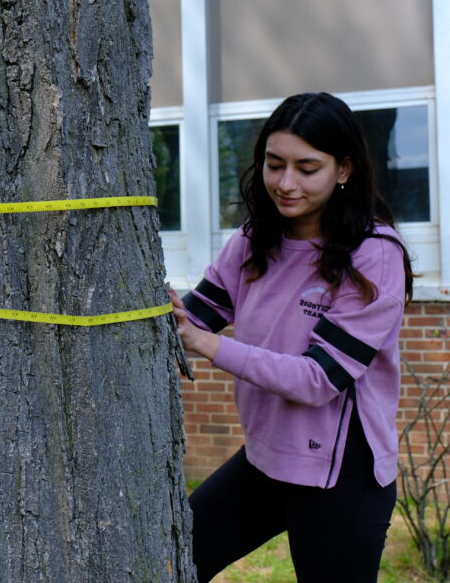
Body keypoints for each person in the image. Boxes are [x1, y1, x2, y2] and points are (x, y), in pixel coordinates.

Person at [169, 92, 414, 582]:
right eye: (274, 164)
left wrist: (207, 344)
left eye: (307, 168)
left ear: (343, 170)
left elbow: (319, 379)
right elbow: (193, 320)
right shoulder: (252, 240)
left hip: (342, 475)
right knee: (174, 559)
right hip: (265, 460)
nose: (285, 183)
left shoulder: (375, 254)